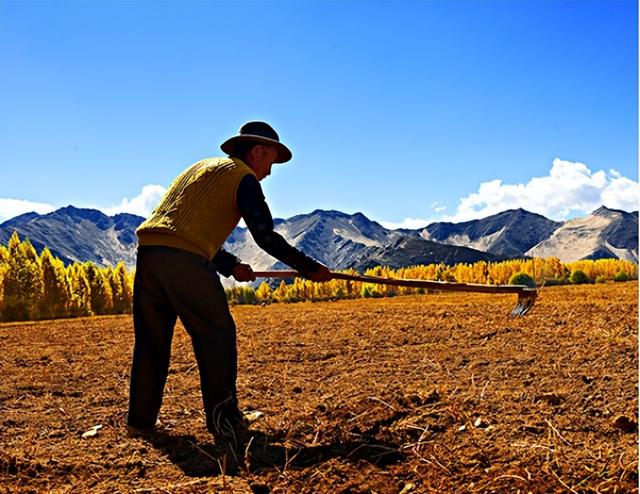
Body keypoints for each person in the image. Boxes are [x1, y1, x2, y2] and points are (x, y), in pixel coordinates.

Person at [127, 121, 332, 444]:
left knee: (152, 342)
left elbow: (182, 228)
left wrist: (231, 264)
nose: (269, 171)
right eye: (271, 161)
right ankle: (225, 419)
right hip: (184, 261)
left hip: (150, 254)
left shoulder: (201, 168)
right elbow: (265, 236)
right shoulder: (243, 178)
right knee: (216, 334)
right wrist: (309, 268)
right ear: (258, 151)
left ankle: (139, 422)